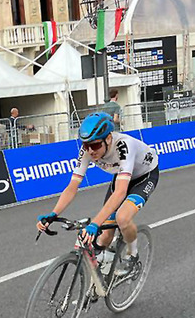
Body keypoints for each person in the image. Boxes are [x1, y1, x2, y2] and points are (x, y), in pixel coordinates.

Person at [37, 112, 159, 275]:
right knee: (105, 234)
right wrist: (53, 214)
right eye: (86, 145)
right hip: (122, 175)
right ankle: (106, 266)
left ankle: (132, 254)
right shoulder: (87, 150)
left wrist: (95, 224)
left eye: (94, 146)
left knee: (122, 217)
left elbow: (121, 191)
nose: (90, 151)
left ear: (108, 138)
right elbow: (73, 186)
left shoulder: (124, 146)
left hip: (145, 176)